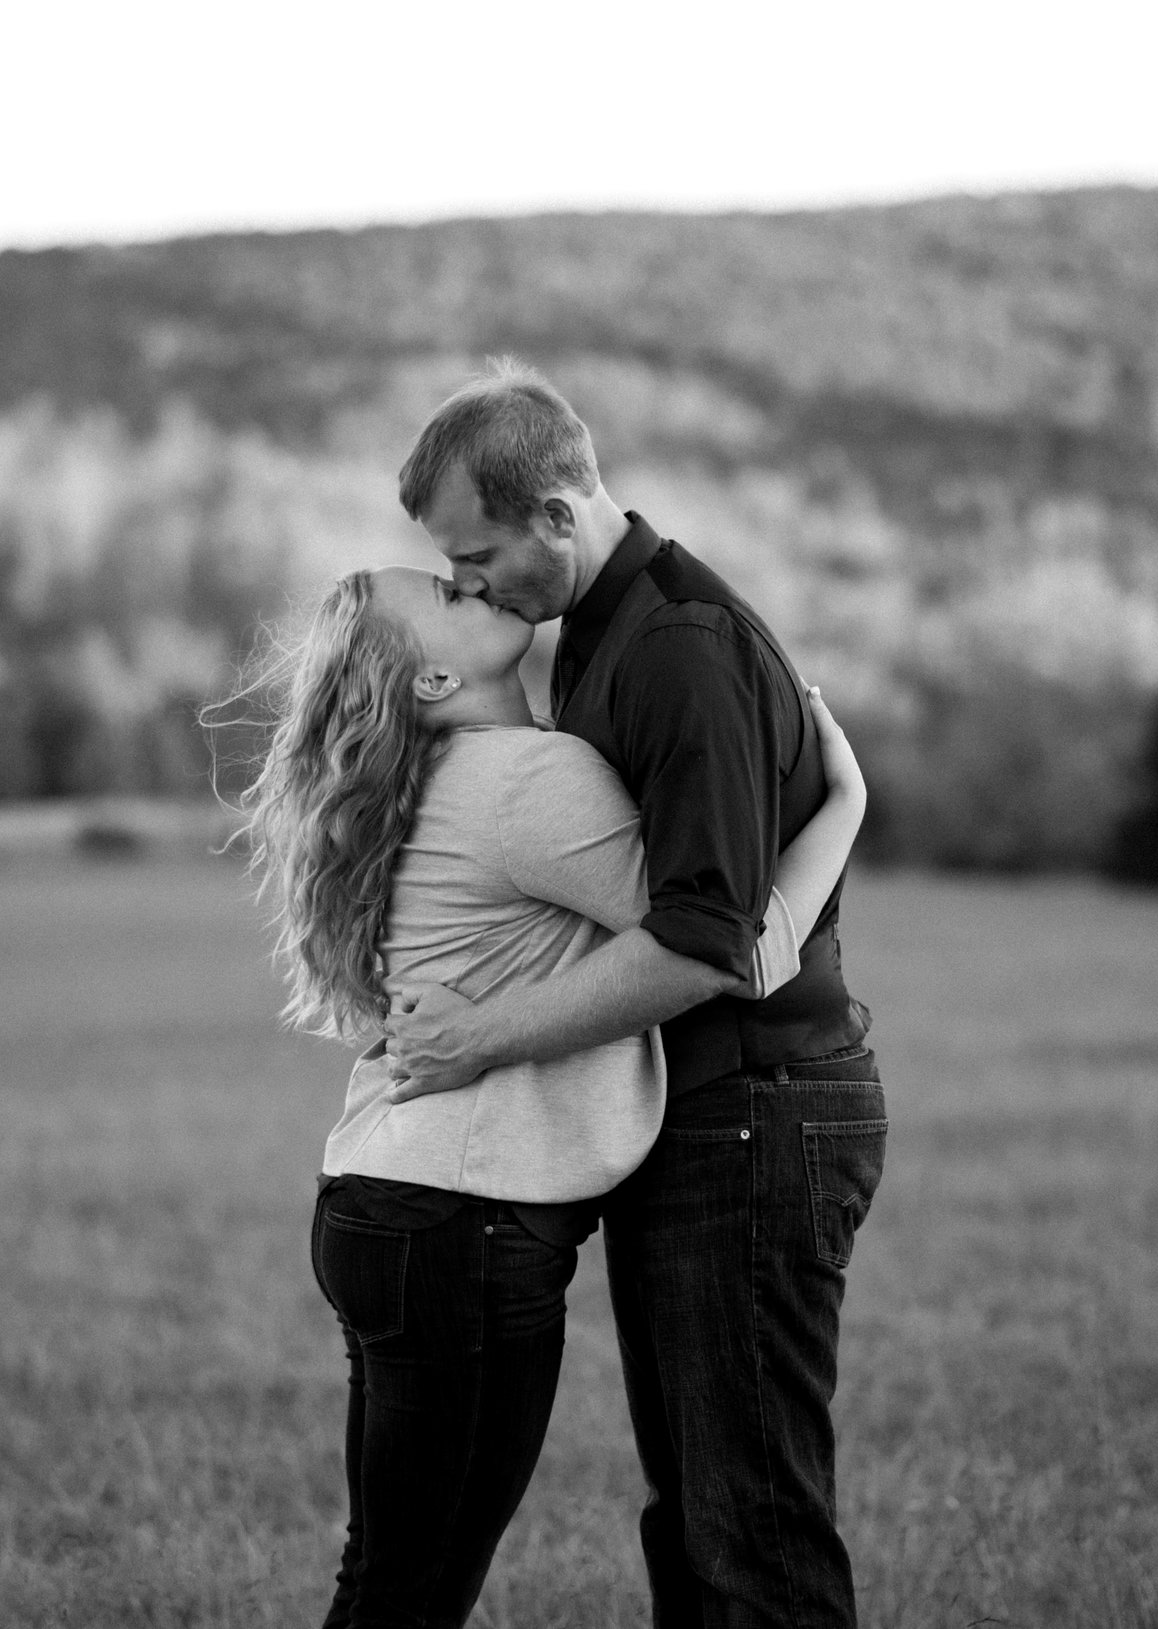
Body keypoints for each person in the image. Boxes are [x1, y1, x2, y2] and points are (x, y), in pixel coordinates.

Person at [224, 563, 867, 1627]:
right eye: (450, 595)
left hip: (384, 1204)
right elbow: (736, 950)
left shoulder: (433, 783)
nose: (477, 585)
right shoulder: (527, 780)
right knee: (407, 1592)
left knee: (388, 1577)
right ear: (429, 675)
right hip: (458, 1226)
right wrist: (845, 801)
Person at [383, 365, 886, 1628]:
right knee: (697, 1525)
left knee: (752, 1537)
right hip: (703, 1120)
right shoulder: (595, 634)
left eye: (480, 553)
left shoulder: (675, 650)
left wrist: (474, 1040)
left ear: (559, 510)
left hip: (760, 1117)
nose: (472, 585)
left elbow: (712, 943)